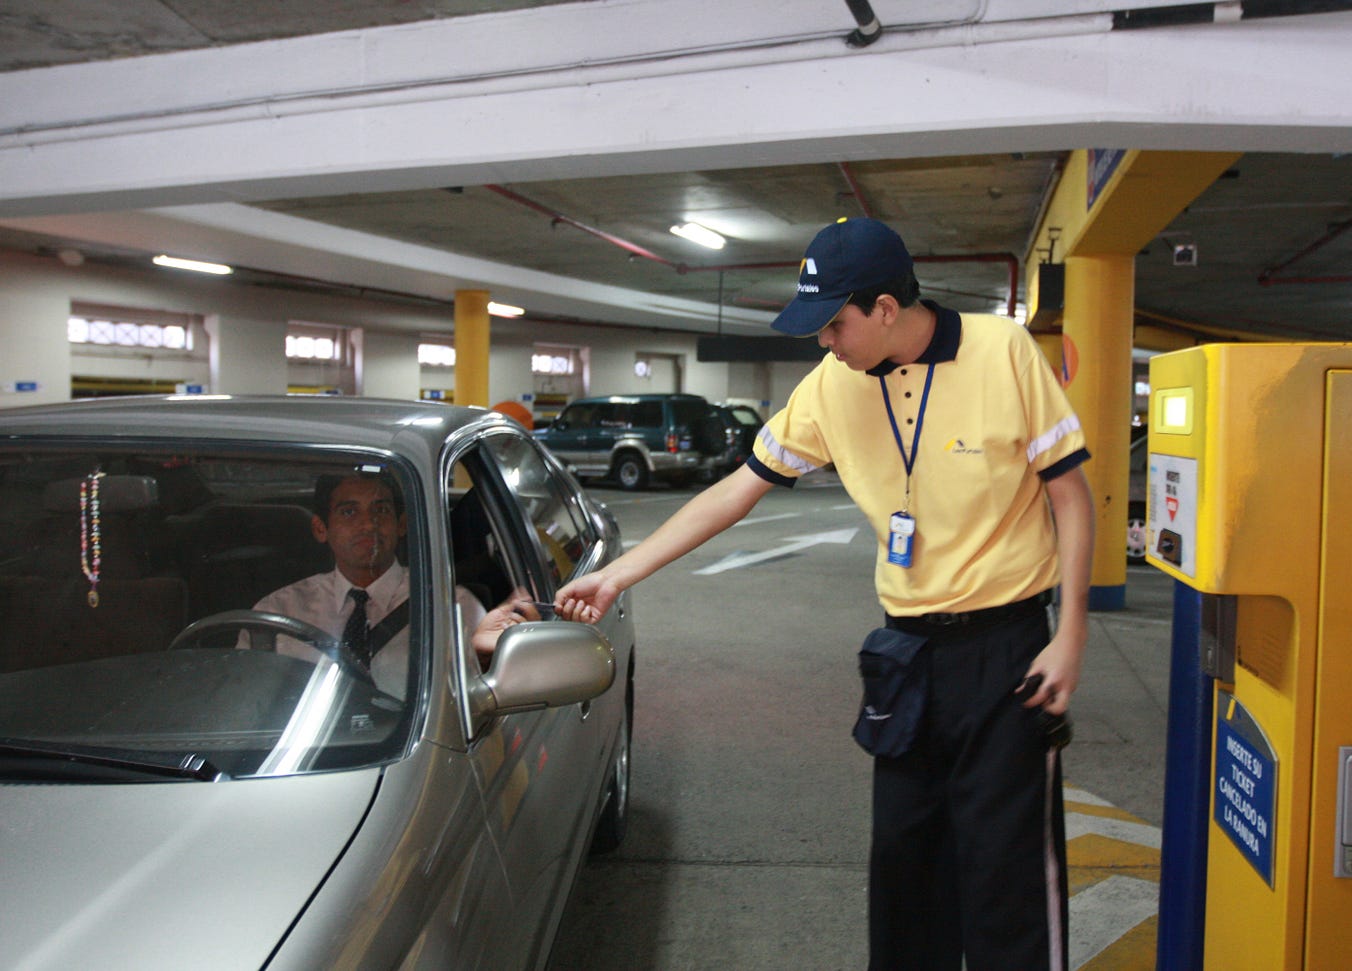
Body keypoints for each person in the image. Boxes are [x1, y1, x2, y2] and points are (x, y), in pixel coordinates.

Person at [556, 217, 1094, 970]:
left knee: (1007, 885)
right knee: (904, 876)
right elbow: (736, 491)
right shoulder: (830, 388)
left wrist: (1070, 634)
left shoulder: (1002, 352)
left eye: (835, 323)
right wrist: (621, 571)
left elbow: (1071, 495)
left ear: (884, 307)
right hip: (905, 654)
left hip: (1006, 653)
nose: (824, 342)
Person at [247, 471, 569, 697]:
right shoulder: (276, 613)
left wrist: (482, 658)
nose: (368, 524)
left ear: (401, 525)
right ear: (321, 528)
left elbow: (480, 702)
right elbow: (250, 704)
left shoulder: (452, 606)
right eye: (348, 512)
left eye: (381, 510)